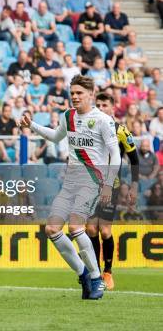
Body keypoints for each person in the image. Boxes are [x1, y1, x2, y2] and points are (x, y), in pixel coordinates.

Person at [20, 75, 120, 300]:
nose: (74, 96)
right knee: (51, 229)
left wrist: (107, 184)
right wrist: (32, 125)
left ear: (90, 94)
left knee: (76, 226)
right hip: (71, 181)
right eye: (72, 93)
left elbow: (115, 154)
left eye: (79, 93)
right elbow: (56, 137)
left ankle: (97, 278)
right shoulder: (68, 116)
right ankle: (83, 273)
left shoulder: (103, 120)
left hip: (93, 181)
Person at [86, 92, 140, 289]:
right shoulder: (88, 129)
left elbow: (134, 160)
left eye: (104, 105)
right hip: (90, 186)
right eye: (97, 105)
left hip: (112, 186)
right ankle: (95, 272)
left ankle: (108, 272)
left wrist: (134, 185)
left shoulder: (121, 131)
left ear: (112, 108)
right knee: (90, 229)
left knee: (105, 230)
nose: (100, 108)